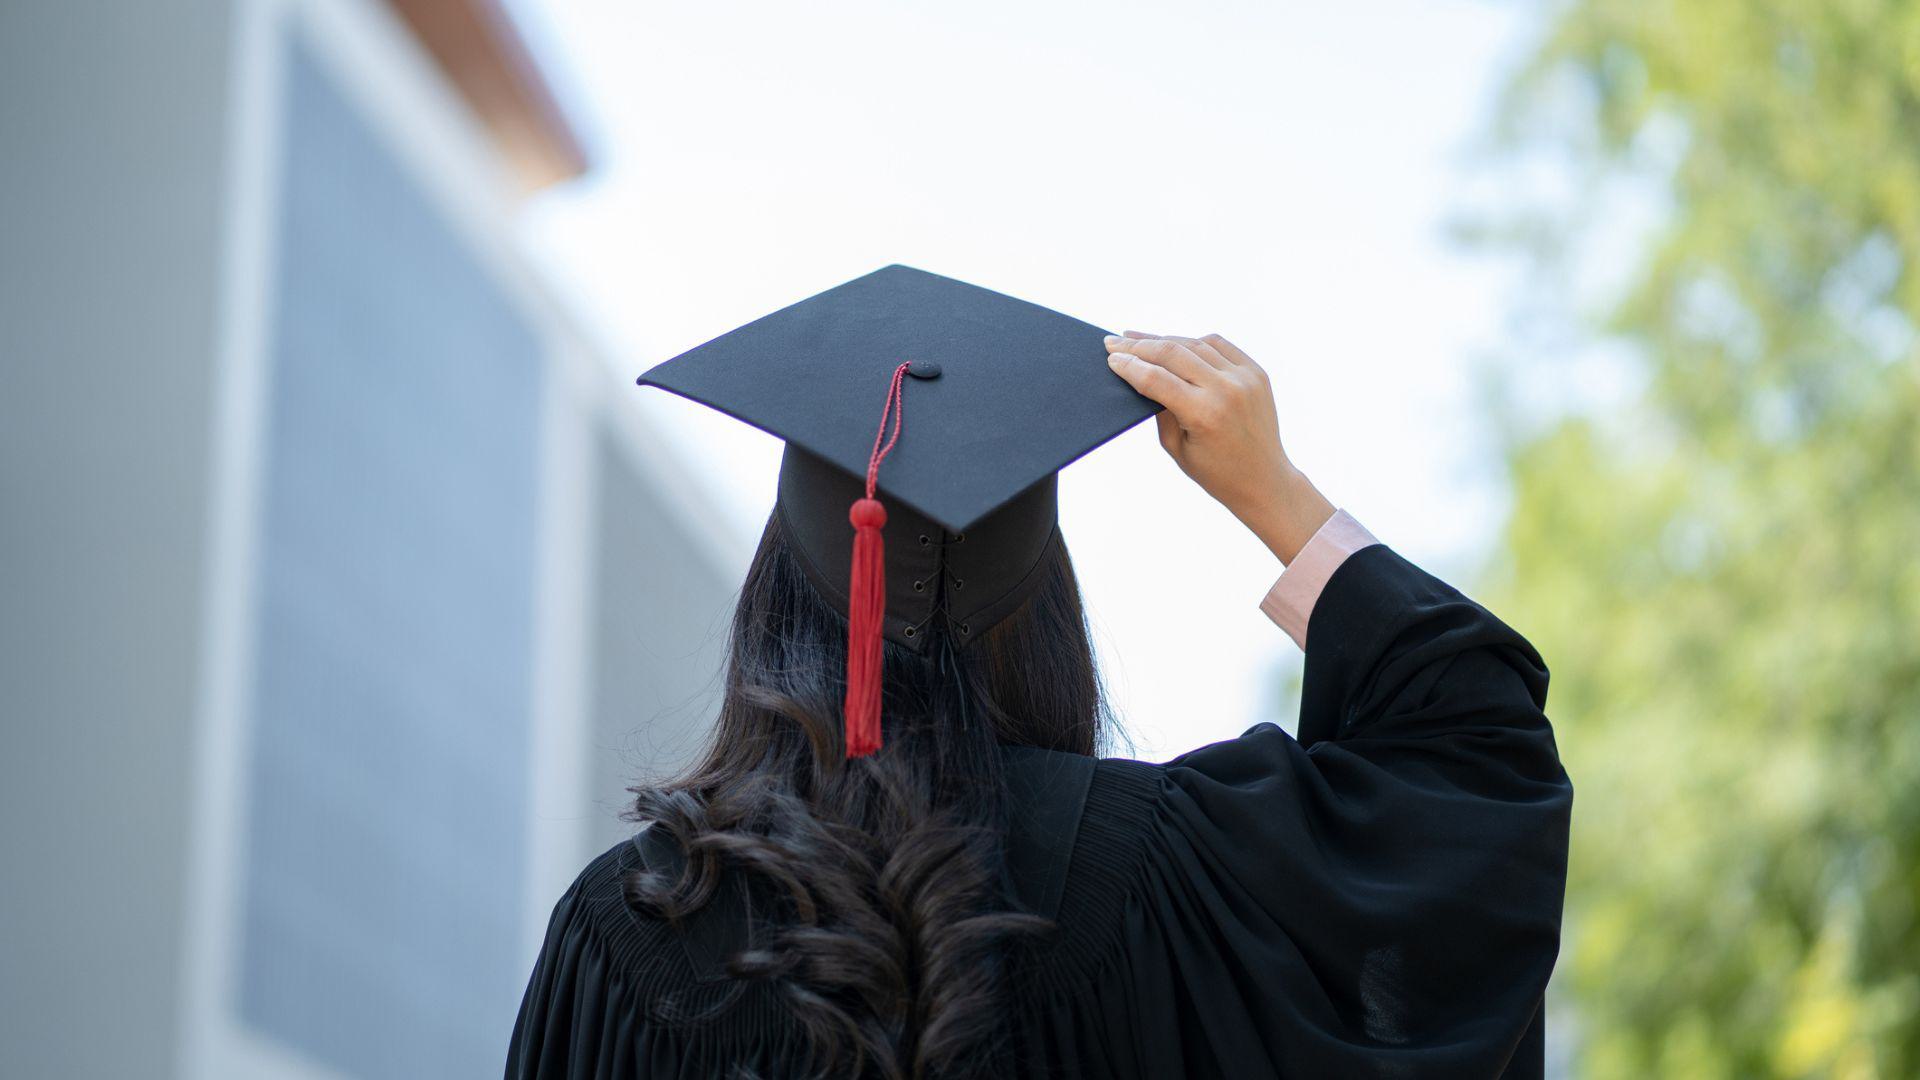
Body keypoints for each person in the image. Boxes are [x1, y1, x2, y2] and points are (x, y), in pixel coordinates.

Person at [505, 266, 1572, 1080]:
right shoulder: (1186, 880)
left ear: (780, 600)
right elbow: (1476, 764)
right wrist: (1277, 495)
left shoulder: (631, 927)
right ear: (1045, 609)